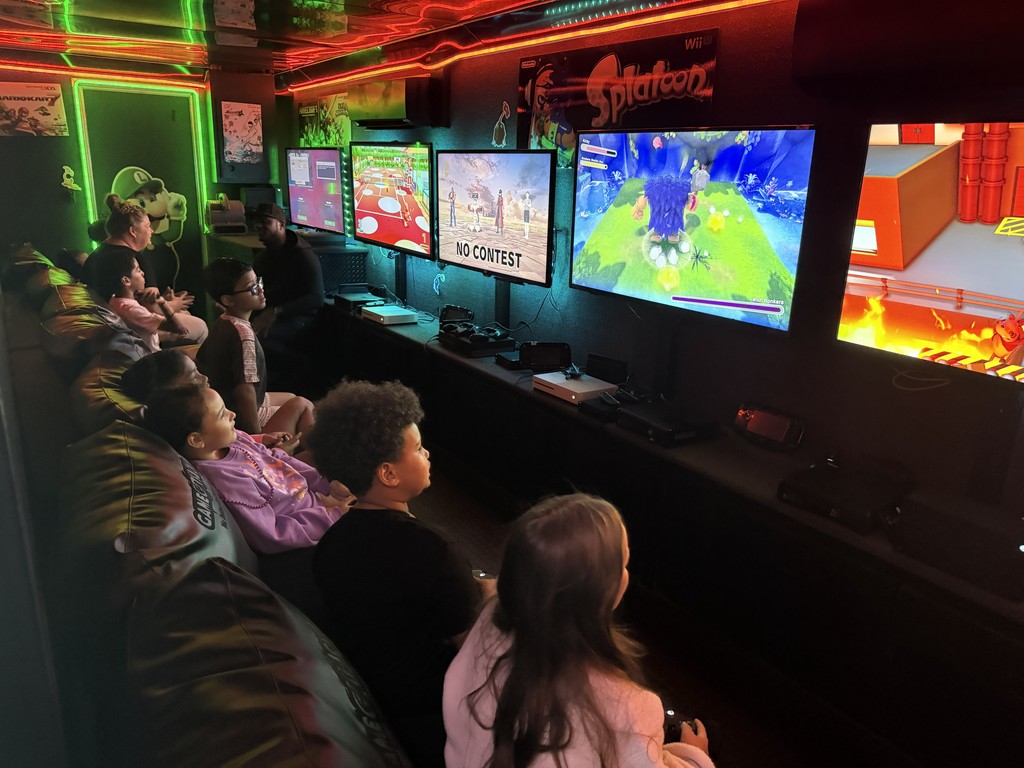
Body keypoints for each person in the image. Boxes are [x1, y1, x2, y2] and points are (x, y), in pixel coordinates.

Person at [443, 493, 716, 768]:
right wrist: (693, 757)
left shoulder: (488, 616)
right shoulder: (630, 709)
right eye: (622, 565)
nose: (626, 574)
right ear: (602, 594)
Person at [306, 379, 490, 768]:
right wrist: (493, 598)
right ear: (388, 474)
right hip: (430, 708)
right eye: (418, 449)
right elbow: (475, 648)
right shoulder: (430, 550)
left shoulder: (332, 544)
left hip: (380, 691)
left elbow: (397, 595)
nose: (427, 454)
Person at [139, 382, 353, 554]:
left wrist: (326, 484)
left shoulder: (234, 439)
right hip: (312, 528)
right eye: (222, 414)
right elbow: (271, 535)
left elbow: (276, 460)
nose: (233, 414)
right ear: (197, 440)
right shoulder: (228, 482)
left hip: (318, 501)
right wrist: (330, 514)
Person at [196, 257, 315, 440]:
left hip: (225, 402)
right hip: (239, 418)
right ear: (228, 299)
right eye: (252, 288)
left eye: (258, 282)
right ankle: (298, 459)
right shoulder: (244, 335)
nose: (260, 289)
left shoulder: (223, 321)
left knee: (291, 396)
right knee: (303, 405)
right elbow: (244, 391)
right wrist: (256, 438)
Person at [121, 349, 300, 454]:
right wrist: (277, 454)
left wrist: (261, 439)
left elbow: (238, 442)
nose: (204, 378)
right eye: (193, 376)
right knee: (301, 405)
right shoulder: (195, 432)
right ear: (170, 393)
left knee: (297, 401)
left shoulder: (193, 421)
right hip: (271, 465)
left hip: (261, 452)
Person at [83, 198, 207, 348]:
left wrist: (165, 300)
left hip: (111, 325)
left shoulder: (96, 255)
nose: (151, 231)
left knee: (185, 315)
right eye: (147, 226)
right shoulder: (132, 260)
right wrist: (175, 303)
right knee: (200, 327)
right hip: (129, 330)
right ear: (133, 231)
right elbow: (151, 311)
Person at [250, 202, 324, 391]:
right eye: (257, 222)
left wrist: (277, 312)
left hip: (300, 318)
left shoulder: (303, 256)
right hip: (273, 313)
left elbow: (316, 298)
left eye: (265, 221)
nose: (259, 226)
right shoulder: (265, 256)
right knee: (242, 333)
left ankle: (290, 380)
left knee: (258, 339)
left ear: (281, 225)